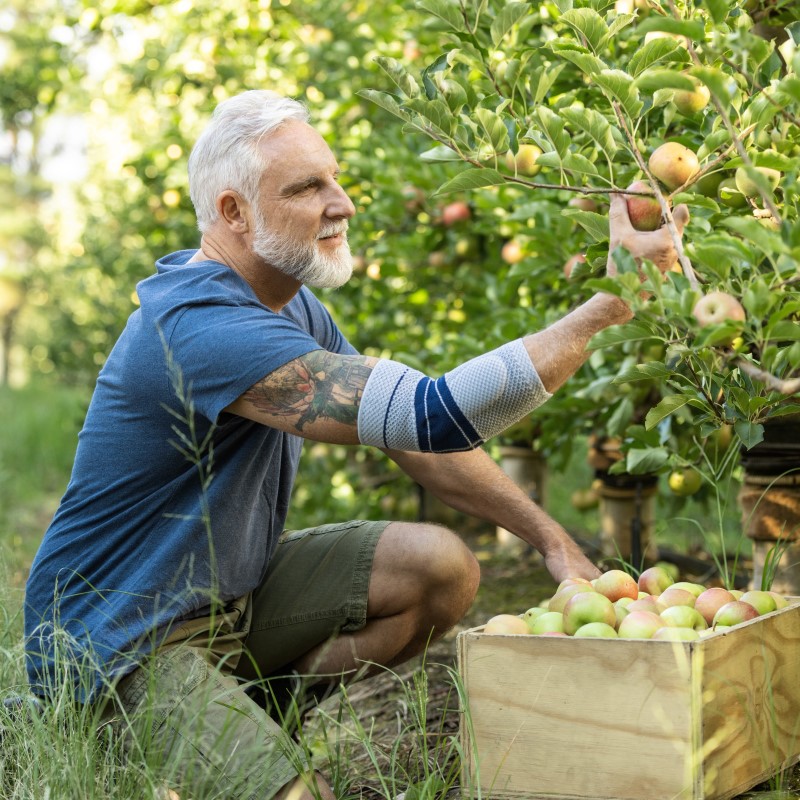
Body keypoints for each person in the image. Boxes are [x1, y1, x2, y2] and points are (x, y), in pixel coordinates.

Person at [24, 90, 689, 800]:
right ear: (233, 212)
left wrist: (549, 539)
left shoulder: (289, 302)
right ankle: (146, 734)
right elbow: (431, 415)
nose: (341, 203)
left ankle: (258, 711)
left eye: (334, 178)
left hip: (227, 602)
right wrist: (606, 309)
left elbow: (414, 444)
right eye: (308, 187)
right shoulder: (199, 327)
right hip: (119, 637)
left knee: (439, 567)